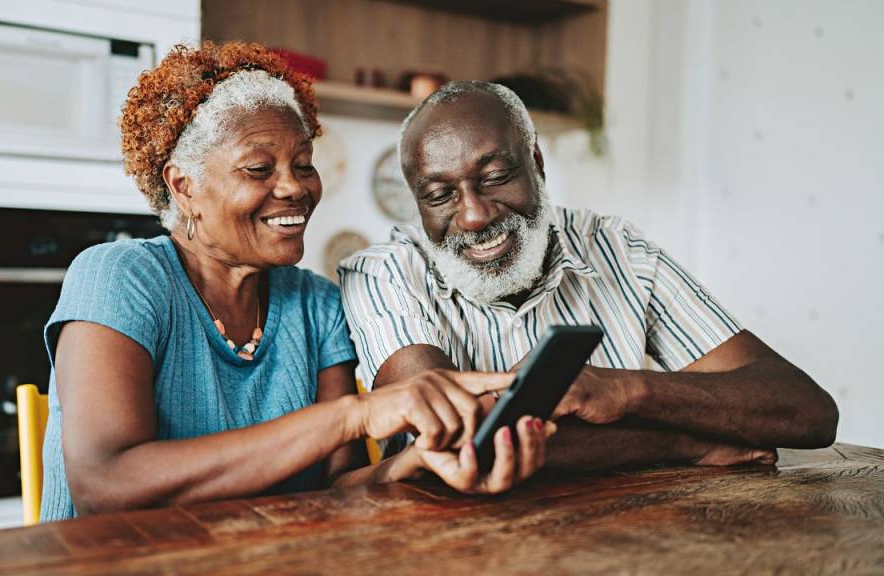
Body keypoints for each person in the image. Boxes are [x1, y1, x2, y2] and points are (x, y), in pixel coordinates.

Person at [39, 45, 551, 522]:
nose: (294, 187)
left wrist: (415, 463)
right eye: (259, 168)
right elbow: (105, 482)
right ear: (183, 185)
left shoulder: (317, 304)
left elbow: (337, 489)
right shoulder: (119, 276)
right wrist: (355, 415)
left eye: (304, 164)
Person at [339, 81, 839, 469]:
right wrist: (680, 441)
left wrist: (624, 391)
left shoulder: (620, 250)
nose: (473, 216)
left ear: (536, 163)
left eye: (494, 177)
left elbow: (807, 411)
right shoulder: (382, 274)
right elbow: (454, 442)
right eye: (439, 195)